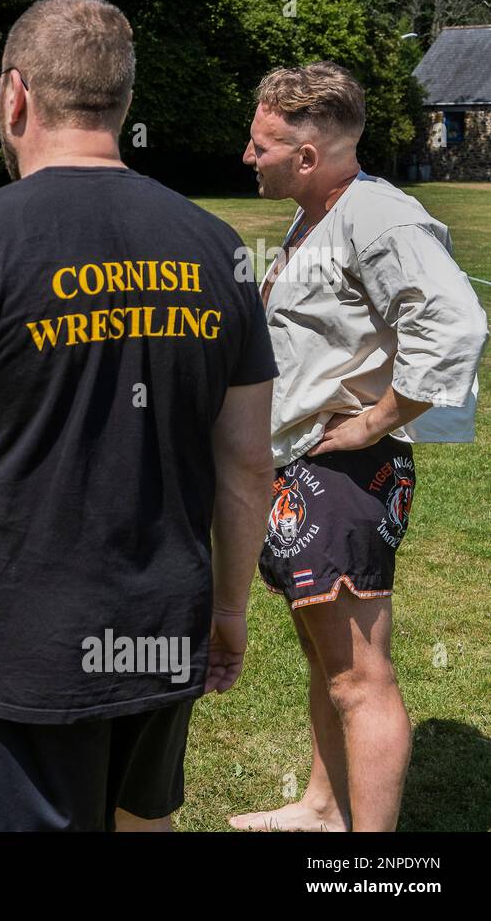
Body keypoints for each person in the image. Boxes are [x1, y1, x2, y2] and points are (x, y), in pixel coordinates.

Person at [0, 0, 277, 831]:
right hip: (162, 625)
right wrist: (227, 612)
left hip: (23, 648)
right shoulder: (216, 244)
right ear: (121, 103)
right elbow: (248, 463)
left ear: (15, 97)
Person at [229, 62, 488, 832]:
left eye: (261, 144)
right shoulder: (323, 212)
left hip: (346, 472)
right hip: (308, 466)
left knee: (359, 677)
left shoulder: (379, 216)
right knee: (326, 661)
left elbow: (456, 325)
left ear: (307, 156)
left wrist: (376, 421)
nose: (249, 157)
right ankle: (322, 808)